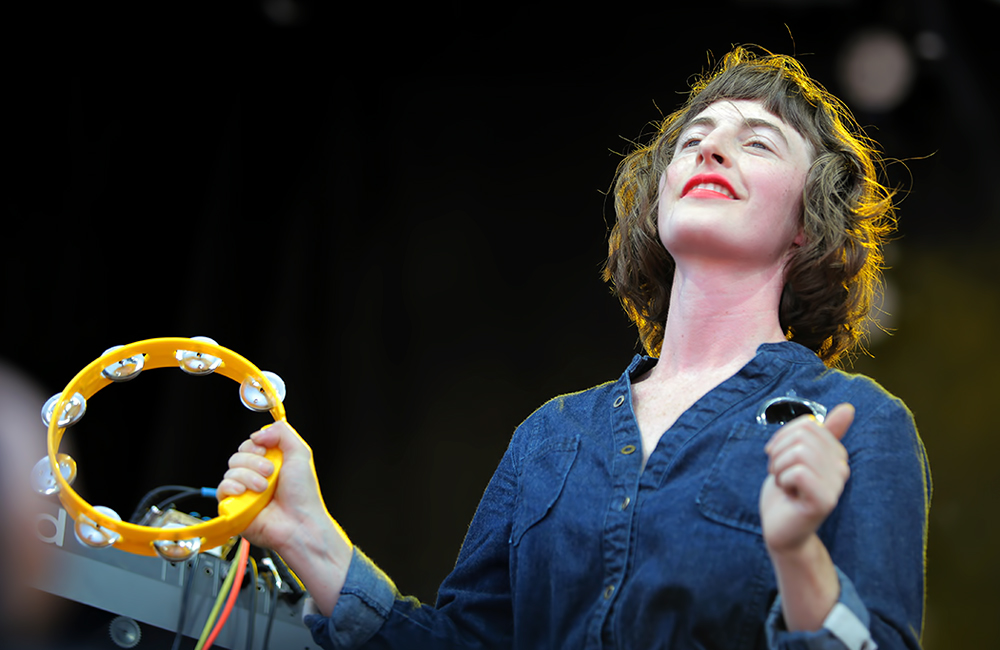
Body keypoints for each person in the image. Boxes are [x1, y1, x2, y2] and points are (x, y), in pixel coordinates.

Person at [218, 46, 930, 649]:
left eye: (759, 142)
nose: (710, 148)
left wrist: (798, 555)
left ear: (808, 222)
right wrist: (310, 537)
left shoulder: (858, 423)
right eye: (694, 139)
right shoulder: (551, 435)